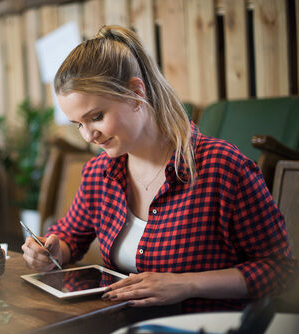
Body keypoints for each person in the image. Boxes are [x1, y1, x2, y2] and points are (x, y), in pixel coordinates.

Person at [21, 25, 296, 313]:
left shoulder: (223, 168)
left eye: (96, 117)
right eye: (79, 124)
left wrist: (187, 284)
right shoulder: (99, 174)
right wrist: (50, 250)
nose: (89, 136)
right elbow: (68, 238)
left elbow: (280, 271)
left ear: (135, 92)